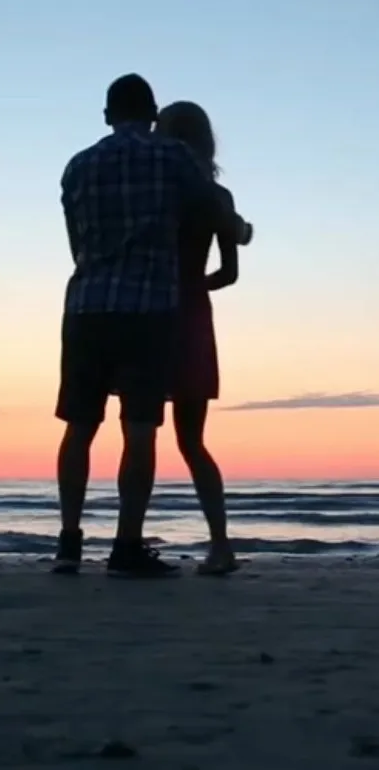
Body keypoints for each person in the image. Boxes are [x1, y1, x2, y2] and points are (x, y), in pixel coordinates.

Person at [53, 73, 250, 578]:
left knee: (80, 426)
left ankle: (69, 545)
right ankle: (130, 545)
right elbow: (227, 238)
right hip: (153, 310)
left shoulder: (78, 166)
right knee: (145, 432)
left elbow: (76, 242)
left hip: (87, 305)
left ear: (106, 114)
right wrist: (240, 230)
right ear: (152, 112)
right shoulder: (177, 166)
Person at [156, 102, 250, 574]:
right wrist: (195, 283)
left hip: (149, 311)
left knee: (139, 430)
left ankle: (127, 538)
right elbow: (229, 273)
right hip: (193, 315)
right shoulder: (218, 197)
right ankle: (220, 544)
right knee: (192, 441)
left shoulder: (156, 191)